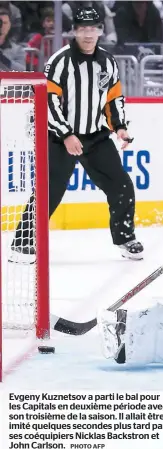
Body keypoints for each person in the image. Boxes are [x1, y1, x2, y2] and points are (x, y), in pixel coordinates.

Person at [10, 7, 144, 262]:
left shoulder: (108, 61)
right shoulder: (59, 61)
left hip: (95, 137)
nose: (88, 34)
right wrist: (66, 134)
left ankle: (125, 237)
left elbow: (113, 99)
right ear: (74, 31)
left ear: (100, 31)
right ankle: (23, 243)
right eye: (83, 28)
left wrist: (120, 127)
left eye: (93, 28)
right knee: (50, 189)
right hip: (61, 138)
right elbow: (48, 102)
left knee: (121, 185)